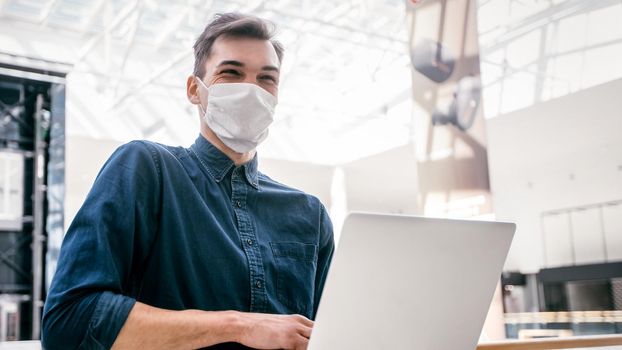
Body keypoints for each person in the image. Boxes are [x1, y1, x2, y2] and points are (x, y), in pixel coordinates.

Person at [41, 12, 334, 350]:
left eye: (266, 79)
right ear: (195, 89)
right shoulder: (147, 169)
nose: (251, 90)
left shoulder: (309, 214)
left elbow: (330, 333)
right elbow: (70, 322)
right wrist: (237, 325)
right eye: (231, 73)